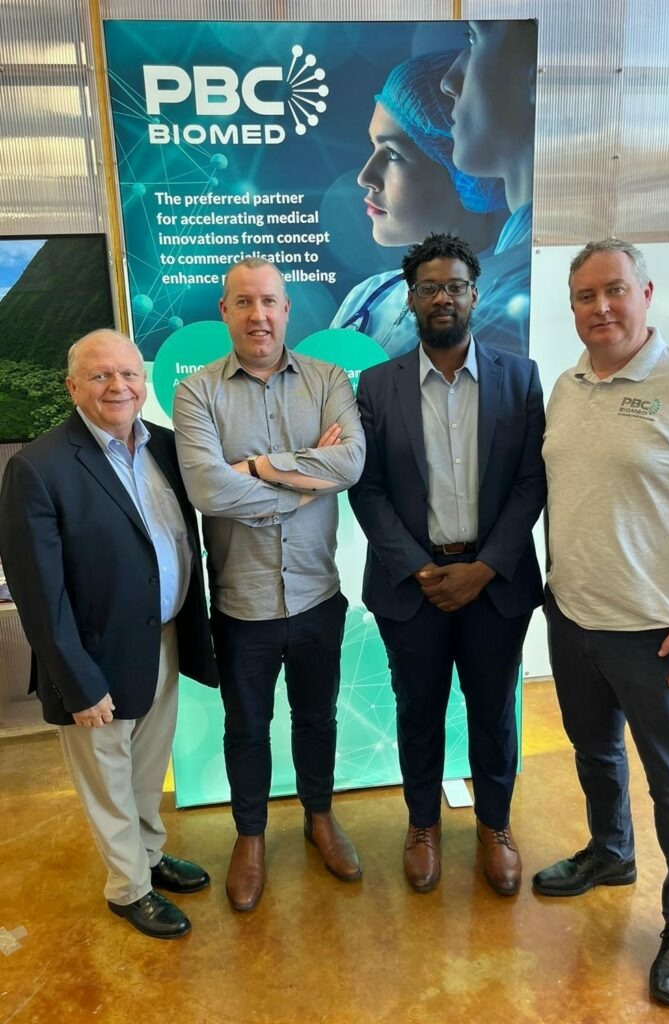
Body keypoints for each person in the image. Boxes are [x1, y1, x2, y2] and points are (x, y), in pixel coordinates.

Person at [535, 239, 669, 1006]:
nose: (600, 308)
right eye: (584, 296)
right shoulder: (565, 388)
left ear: (646, 294)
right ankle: (610, 851)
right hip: (572, 617)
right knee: (593, 752)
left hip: (657, 634)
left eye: (614, 290)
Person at [0, 329, 219, 940]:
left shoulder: (166, 447)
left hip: (163, 639)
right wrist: (77, 682)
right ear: (73, 387)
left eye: (128, 374)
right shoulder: (37, 467)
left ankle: (148, 855)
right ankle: (129, 889)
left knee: (146, 767)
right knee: (108, 779)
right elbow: (38, 593)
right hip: (92, 655)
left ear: (143, 382)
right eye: (100, 376)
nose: (118, 386)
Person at [349, 233, 546, 895]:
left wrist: (485, 567)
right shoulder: (377, 386)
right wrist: (417, 568)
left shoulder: (520, 378)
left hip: (495, 584)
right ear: (410, 299)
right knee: (417, 710)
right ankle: (423, 825)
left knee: (493, 711)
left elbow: (530, 482)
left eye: (454, 286)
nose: (443, 298)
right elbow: (367, 488)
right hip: (413, 588)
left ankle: (495, 825)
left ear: (473, 295)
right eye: (429, 287)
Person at [173, 258, 366, 913]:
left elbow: (351, 462)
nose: (258, 315)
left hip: (316, 597)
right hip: (241, 606)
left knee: (317, 718)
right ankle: (250, 837)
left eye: (269, 302)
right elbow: (207, 489)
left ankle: (319, 817)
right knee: (247, 728)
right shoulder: (197, 392)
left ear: (286, 310)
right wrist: (305, 484)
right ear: (225, 311)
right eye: (244, 302)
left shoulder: (328, 379)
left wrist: (254, 468)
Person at [331, 50, 526, 358]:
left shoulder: (504, 308)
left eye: (393, 154)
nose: (365, 177)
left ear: (463, 171)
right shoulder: (368, 295)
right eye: (373, 147)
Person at [441, 21, 538, 342]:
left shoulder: (515, 294)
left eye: (473, 37)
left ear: (536, 75)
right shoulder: (505, 268)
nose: (448, 82)